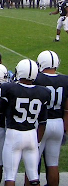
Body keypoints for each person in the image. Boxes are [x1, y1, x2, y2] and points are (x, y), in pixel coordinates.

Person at [0, 59, 50, 186]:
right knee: (34, 177)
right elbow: (43, 121)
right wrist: (38, 142)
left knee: (10, 176)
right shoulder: (43, 92)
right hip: (31, 135)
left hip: (14, 134)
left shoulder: (9, 88)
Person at [34, 50, 68, 186]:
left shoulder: (37, 79)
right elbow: (67, 109)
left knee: (33, 162)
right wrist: (65, 127)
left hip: (41, 124)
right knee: (53, 163)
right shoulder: (65, 80)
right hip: (58, 123)